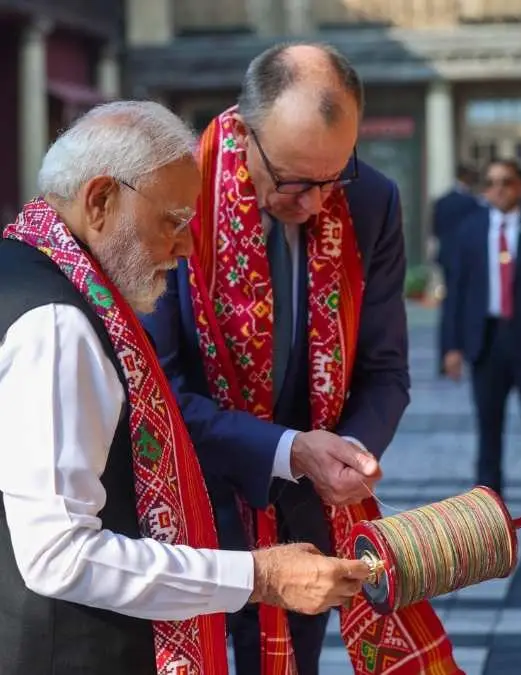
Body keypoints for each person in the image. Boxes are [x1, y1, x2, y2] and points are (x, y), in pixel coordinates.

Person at [0, 100, 370, 675]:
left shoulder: (28, 267)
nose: (184, 247)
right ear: (101, 200)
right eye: (172, 221)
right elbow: (59, 555)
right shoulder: (58, 324)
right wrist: (259, 576)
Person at [140, 44, 456, 675]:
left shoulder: (371, 201)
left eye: (332, 178)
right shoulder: (176, 190)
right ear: (245, 132)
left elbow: (386, 370)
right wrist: (289, 449)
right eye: (292, 181)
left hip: (308, 510)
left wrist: (352, 454)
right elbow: (159, 389)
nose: (313, 203)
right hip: (189, 504)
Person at [440, 158, 521, 501]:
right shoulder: (471, 229)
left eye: (506, 181)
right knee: (488, 433)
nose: (498, 189)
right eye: (491, 182)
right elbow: (456, 293)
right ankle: (491, 515)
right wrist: (450, 348)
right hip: (486, 342)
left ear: (520, 186)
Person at [433, 164, 482, 375]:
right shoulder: (471, 203)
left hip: (446, 260)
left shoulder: (441, 202)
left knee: (449, 307)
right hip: (465, 261)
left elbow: (434, 230)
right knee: (460, 305)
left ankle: (445, 356)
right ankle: (462, 352)